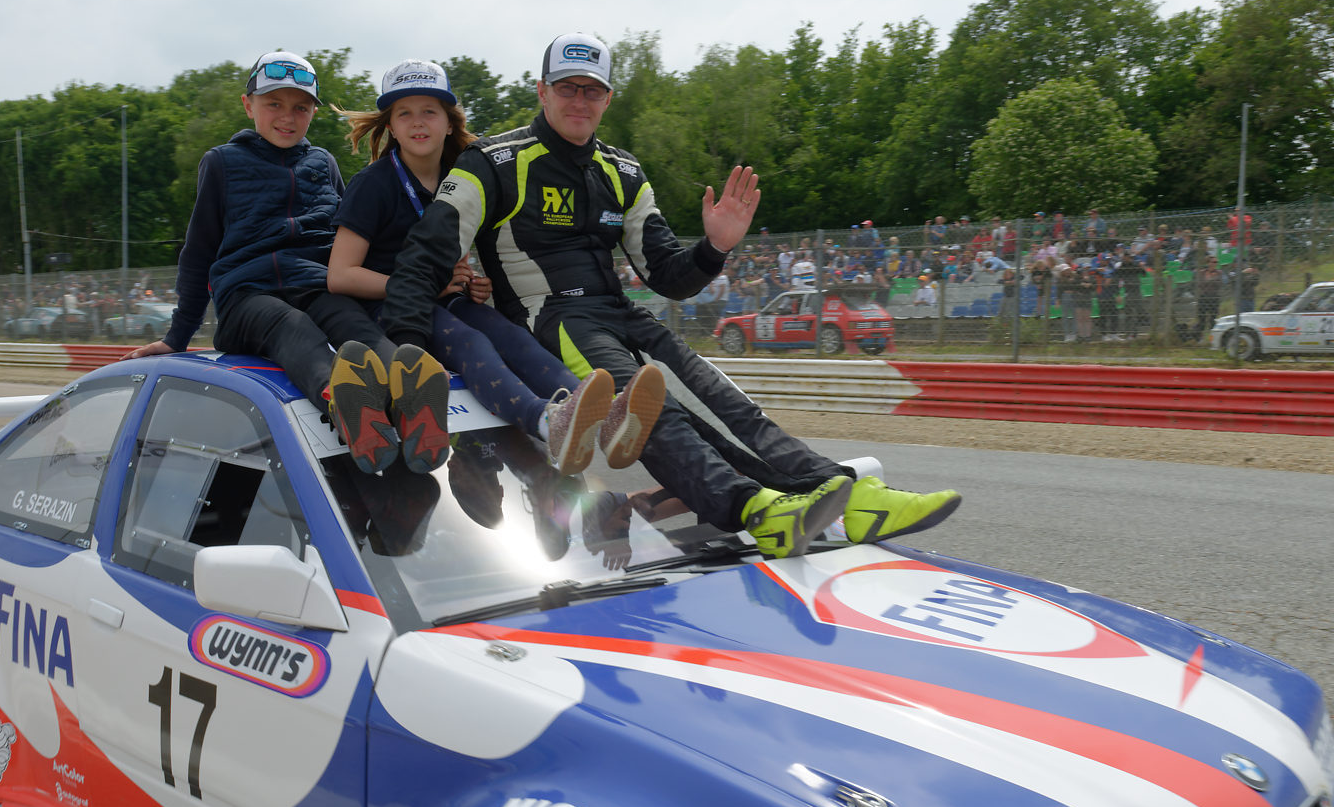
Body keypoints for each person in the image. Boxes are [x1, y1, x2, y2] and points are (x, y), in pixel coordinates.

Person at [381, 32, 959, 558]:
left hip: (621, 312)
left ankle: (845, 495)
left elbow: (668, 275)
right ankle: (756, 510)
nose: (579, 100)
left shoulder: (625, 171)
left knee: (725, 400)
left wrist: (714, 247)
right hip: (548, 321)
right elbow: (424, 256)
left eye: (593, 90)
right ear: (542, 91)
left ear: (608, 98)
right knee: (654, 411)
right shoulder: (493, 162)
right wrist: (403, 349)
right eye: (567, 88)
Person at [318, 59, 662, 475]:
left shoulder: (464, 174)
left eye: (429, 111)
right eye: (403, 113)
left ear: (449, 122)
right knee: (473, 344)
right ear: (390, 126)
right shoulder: (372, 184)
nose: (417, 123)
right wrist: (426, 286)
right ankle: (547, 420)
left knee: (515, 339)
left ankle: (599, 414)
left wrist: (469, 283)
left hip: (446, 300)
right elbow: (339, 276)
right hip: (392, 310)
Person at [129, 51, 449, 474]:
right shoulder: (222, 162)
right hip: (248, 297)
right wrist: (177, 336)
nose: (288, 116)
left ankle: (413, 403)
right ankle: (343, 401)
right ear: (249, 105)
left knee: (355, 326)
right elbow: (198, 254)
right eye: (273, 104)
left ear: (313, 112)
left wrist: (424, 281)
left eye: (301, 107)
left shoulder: (324, 164)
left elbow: (352, 243)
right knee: (291, 326)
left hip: (314, 285)